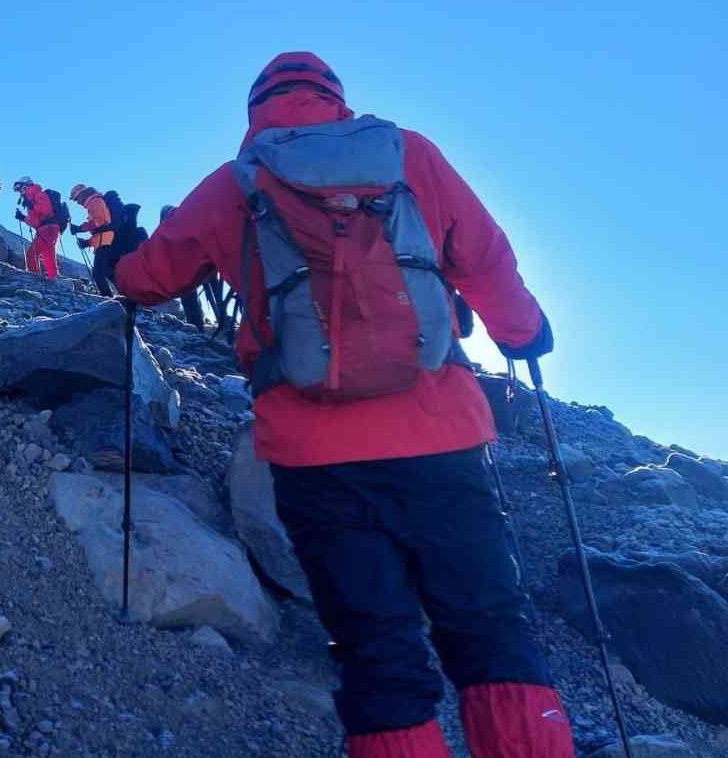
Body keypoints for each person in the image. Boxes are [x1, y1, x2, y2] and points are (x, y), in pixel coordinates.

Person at [113, 53, 570, 758]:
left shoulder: (234, 184)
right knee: (490, 628)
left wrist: (123, 275)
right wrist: (525, 331)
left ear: (255, 111)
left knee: (375, 648)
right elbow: (485, 255)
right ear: (336, 99)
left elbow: (150, 276)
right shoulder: (407, 153)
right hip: (441, 436)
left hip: (316, 457)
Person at [160, 204, 236, 338]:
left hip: (194, 265)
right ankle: (218, 322)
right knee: (212, 294)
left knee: (193, 298)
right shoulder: (184, 220)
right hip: (204, 260)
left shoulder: (169, 227)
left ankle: (202, 327)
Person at [68, 184, 116, 294]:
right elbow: (100, 230)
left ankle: (109, 299)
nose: (77, 202)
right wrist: (87, 243)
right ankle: (118, 298)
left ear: (82, 194)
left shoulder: (94, 201)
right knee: (105, 272)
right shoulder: (94, 202)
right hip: (105, 241)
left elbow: (99, 222)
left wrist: (80, 228)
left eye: (76, 199)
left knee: (99, 273)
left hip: (105, 242)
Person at [13, 178, 64, 280]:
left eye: (20, 189)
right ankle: (53, 279)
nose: (20, 192)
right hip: (48, 229)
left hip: (47, 229)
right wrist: (23, 218)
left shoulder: (38, 195)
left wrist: (31, 205)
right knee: (48, 255)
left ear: (25, 186)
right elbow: (36, 222)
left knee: (32, 254)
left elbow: (45, 210)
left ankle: (35, 278)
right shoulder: (32, 198)